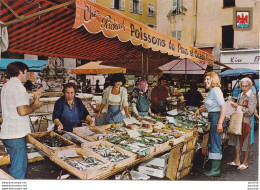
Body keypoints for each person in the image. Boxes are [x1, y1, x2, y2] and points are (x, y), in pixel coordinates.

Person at [0, 61, 43, 179]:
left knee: (14, 167)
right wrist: (36, 106)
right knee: (18, 171)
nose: (27, 75)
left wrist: (35, 98)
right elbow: (22, 111)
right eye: (26, 72)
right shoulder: (18, 87)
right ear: (20, 71)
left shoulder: (7, 85)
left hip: (8, 134)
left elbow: (18, 105)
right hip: (16, 135)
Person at [194, 72, 226, 177]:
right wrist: (199, 110)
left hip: (217, 118)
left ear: (214, 80)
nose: (206, 81)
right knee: (212, 142)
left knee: (215, 143)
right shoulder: (211, 91)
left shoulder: (216, 90)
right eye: (205, 79)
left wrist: (220, 123)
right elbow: (209, 107)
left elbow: (223, 107)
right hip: (213, 117)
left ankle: (216, 170)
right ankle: (213, 166)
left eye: (208, 79)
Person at [227, 77, 257, 170]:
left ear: (250, 86)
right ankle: (237, 160)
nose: (244, 88)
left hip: (246, 121)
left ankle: (245, 162)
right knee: (237, 140)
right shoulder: (241, 94)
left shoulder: (252, 96)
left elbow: (250, 112)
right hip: (239, 120)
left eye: (246, 86)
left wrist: (238, 106)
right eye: (242, 86)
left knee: (245, 142)